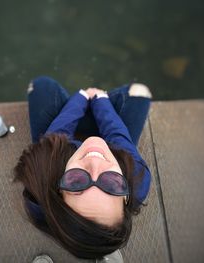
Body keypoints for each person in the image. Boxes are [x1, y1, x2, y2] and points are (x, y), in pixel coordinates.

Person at [14, 76, 152, 259]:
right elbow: (116, 135)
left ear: (57, 189)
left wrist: (81, 97)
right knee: (140, 92)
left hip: (64, 143)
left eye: (76, 181)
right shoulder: (137, 177)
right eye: (112, 183)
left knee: (40, 86)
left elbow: (58, 135)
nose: (95, 163)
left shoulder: (42, 185)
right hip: (111, 147)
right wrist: (99, 100)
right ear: (126, 197)